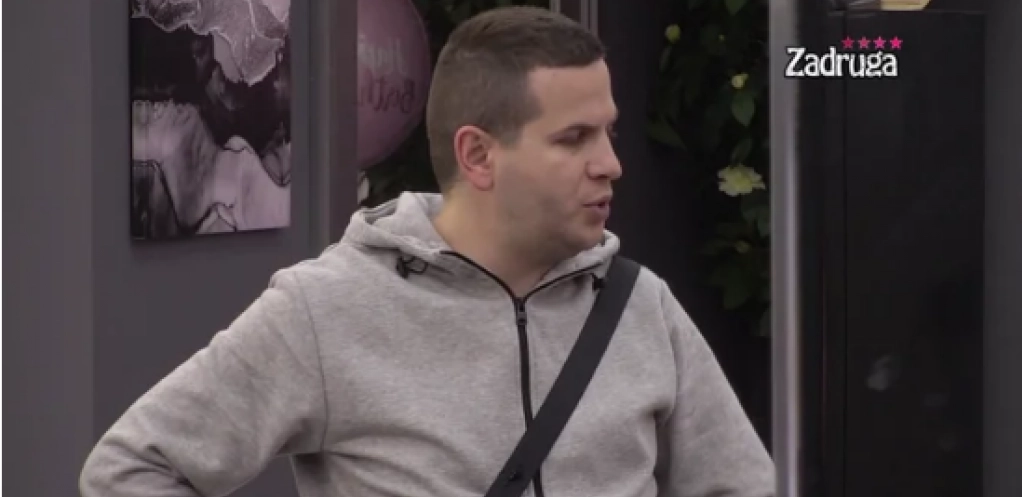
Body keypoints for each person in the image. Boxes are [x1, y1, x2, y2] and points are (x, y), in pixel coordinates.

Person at [81, 6, 775, 497]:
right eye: (574, 139)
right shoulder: (328, 308)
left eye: (608, 133)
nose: (610, 165)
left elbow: (742, 485)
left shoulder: (641, 306)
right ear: (479, 155)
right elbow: (131, 469)